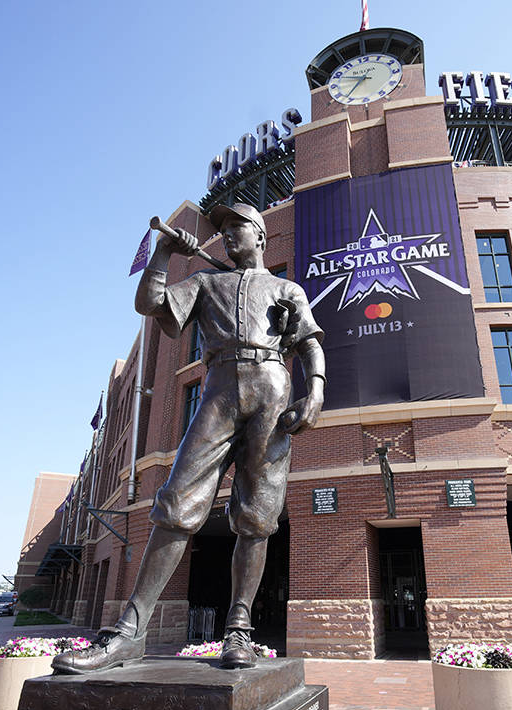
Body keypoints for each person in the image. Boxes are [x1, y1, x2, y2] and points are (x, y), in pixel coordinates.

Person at [53, 202, 325, 673]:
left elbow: (308, 344)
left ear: (260, 236)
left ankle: (238, 631)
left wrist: (316, 391)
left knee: (258, 514)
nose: (227, 236)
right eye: (222, 230)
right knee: (177, 502)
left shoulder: (286, 289)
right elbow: (150, 304)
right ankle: (129, 631)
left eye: (236, 227)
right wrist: (162, 254)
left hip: (271, 387)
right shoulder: (205, 281)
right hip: (218, 386)